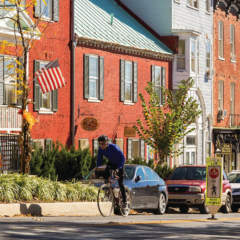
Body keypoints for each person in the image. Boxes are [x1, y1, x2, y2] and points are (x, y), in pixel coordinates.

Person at [96, 135, 127, 207]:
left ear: (107, 143)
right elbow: (99, 160)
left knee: (120, 183)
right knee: (106, 174)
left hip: (119, 164)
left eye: (103, 144)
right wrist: (97, 168)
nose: (101, 146)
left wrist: (118, 168)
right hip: (111, 163)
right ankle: (109, 191)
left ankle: (124, 201)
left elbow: (122, 158)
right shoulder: (100, 149)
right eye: (99, 144)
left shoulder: (114, 148)